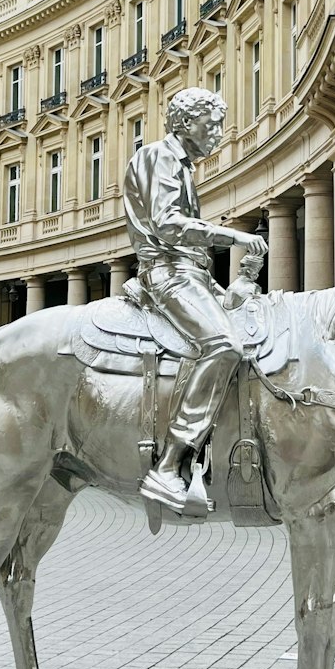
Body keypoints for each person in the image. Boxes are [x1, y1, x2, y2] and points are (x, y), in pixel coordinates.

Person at [123, 88, 267, 514]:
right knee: (223, 345)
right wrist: (233, 235)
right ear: (186, 124)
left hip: (193, 274)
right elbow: (167, 224)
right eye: (213, 125)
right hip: (167, 274)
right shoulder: (159, 157)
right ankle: (168, 465)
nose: (220, 134)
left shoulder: (183, 167)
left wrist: (237, 280)